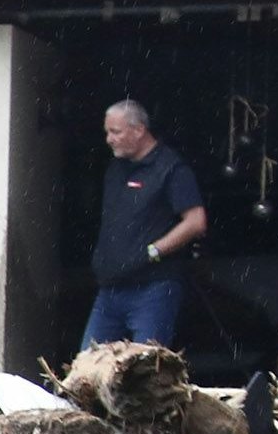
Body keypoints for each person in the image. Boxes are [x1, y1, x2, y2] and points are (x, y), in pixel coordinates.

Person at [83, 99, 207, 351]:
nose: (109, 139)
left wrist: (153, 251)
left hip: (153, 289)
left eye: (115, 132)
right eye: (107, 132)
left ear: (139, 130)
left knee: (146, 371)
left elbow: (196, 222)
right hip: (110, 288)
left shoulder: (171, 168)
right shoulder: (115, 168)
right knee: (87, 370)